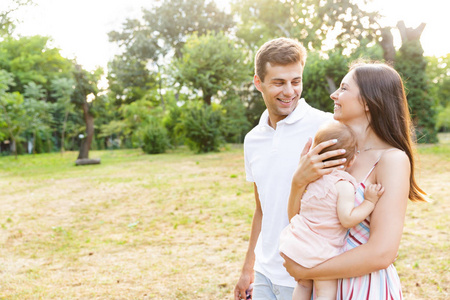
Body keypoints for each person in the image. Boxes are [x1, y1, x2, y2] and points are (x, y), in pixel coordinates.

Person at [281, 62, 428, 299]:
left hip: (363, 287)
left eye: (343, 88)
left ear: (369, 102)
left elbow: (382, 253)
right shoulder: (333, 152)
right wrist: (298, 182)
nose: (334, 95)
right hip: (323, 288)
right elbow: (301, 221)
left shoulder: (391, 160)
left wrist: (307, 270)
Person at [234, 38, 345, 300]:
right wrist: (248, 268)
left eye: (296, 81)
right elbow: (262, 209)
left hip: (305, 276)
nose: (289, 91)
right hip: (263, 274)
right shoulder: (253, 139)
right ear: (258, 82)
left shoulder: (327, 127)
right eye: (278, 82)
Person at [279, 122, 384, 300]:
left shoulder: (312, 179)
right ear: (351, 161)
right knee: (325, 292)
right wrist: (369, 202)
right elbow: (347, 219)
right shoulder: (343, 184)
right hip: (321, 250)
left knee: (303, 284)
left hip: (298, 241)